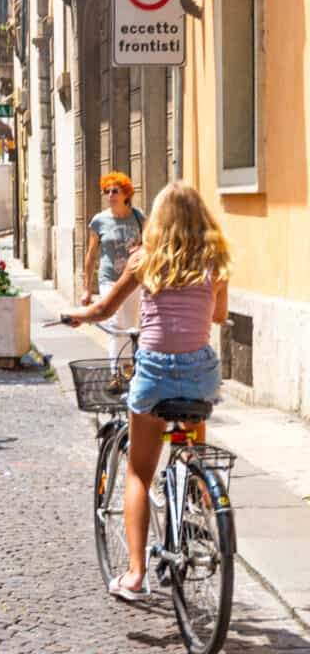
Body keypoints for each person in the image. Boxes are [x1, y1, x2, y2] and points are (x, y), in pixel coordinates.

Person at [63, 181, 231, 602]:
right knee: (192, 442)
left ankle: (136, 575)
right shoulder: (215, 261)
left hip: (155, 371)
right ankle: (195, 506)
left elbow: (103, 309)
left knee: (139, 471)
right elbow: (220, 315)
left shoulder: (144, 260)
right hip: (199, 372)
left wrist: (74, 315)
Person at [83, 172, 145, 361]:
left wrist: (141, 248)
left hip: (133, 279)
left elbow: (152, 243)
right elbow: (92, 254)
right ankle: (116, 372)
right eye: (106, 191)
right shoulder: (99, 221)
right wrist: (86, 288)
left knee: (132, 325)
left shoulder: (138, 217)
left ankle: (127, 367)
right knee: (117, 324)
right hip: (109, 278)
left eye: (114, 191)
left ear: (126, 194)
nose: (110, 195)